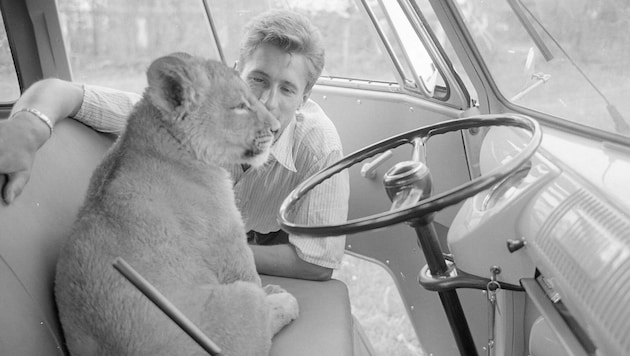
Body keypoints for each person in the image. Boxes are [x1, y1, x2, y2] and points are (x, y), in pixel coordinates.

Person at [0, 10, 349, 281]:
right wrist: (28, 129)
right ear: (236, 72)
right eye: (257, 79)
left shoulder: (319, 149)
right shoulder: (193, 112)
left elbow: (316, 263)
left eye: (287, 89)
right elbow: (69, 93)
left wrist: (203, 251)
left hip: (266, 241)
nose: (268, 103)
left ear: (304, 98)